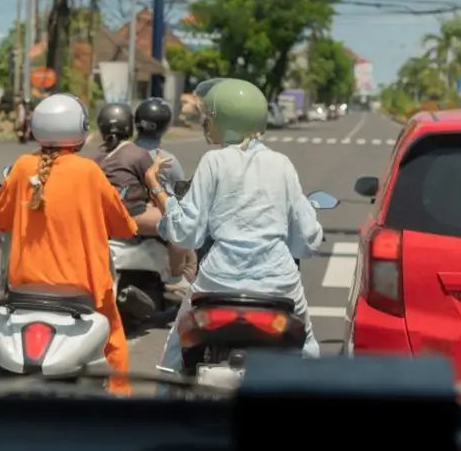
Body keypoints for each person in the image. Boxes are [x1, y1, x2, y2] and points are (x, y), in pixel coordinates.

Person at [146, 78, 325, 375]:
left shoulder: (213, 162)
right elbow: (306, 241)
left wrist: (162, 199)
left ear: (223, 120)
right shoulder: (282, 164)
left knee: (174, 356)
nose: (205, 122)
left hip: (218, 282)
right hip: (279, 284)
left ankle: (166, 409)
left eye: (209, 116)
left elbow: (185, 232)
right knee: (308, 351)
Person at [0, 93, 139, 395]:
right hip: (84, 294)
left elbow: (1, 219)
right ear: (80, 130)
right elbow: (124, 226)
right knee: (114, 341)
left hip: (23, 292)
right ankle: (121, 407)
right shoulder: (89, 172)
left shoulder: (22, 167)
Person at [88, 102, 192, 298]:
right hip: (132, 216)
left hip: (100, 218)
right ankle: (176, 277)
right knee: (180, 222)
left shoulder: (95, 158)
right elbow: (154, 190)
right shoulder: (138, 155)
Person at [133, 97, 197, 283]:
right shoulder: (167, 160)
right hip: (151, 221)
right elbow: (182, 197)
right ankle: (177, 280)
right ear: (165, 127)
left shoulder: (120, 153)